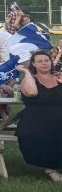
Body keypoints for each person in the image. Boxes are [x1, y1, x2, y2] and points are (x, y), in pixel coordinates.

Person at [16, 49, 62, 182]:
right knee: (48, 132)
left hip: (58, 119)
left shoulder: (59, 77)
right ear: (34, 64)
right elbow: (32, 93)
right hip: (36, 121)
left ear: (51, 62)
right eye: (40, 61)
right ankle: (50, 168)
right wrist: (26, 72)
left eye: (46, 60)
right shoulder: (30, 79)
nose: (44, 63)